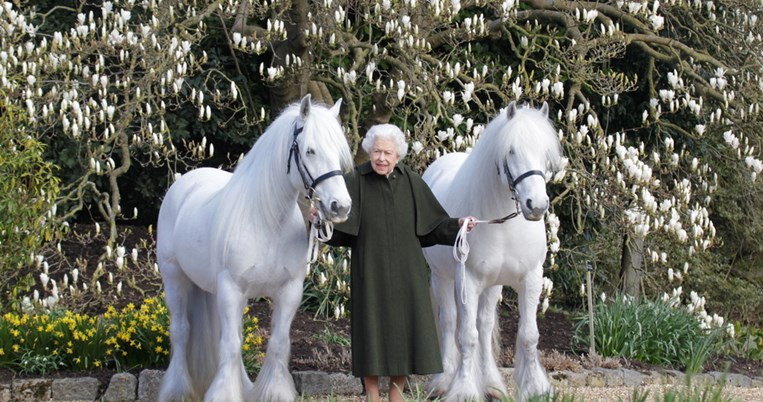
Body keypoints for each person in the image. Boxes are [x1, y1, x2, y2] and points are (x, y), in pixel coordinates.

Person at [315, 124, 476, 402]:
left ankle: (396, 395)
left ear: (398, 155)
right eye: (376, 151)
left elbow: (434, 225)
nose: (381, 158)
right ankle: (373, 396)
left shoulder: (412, 181)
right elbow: (338, 229)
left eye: (387, 152)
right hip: (370, 271)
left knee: (406, 333)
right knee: (371, 333)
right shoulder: (355, 180)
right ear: (369, 151)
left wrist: (458, 225)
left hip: (408, 273)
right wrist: (318, 222)